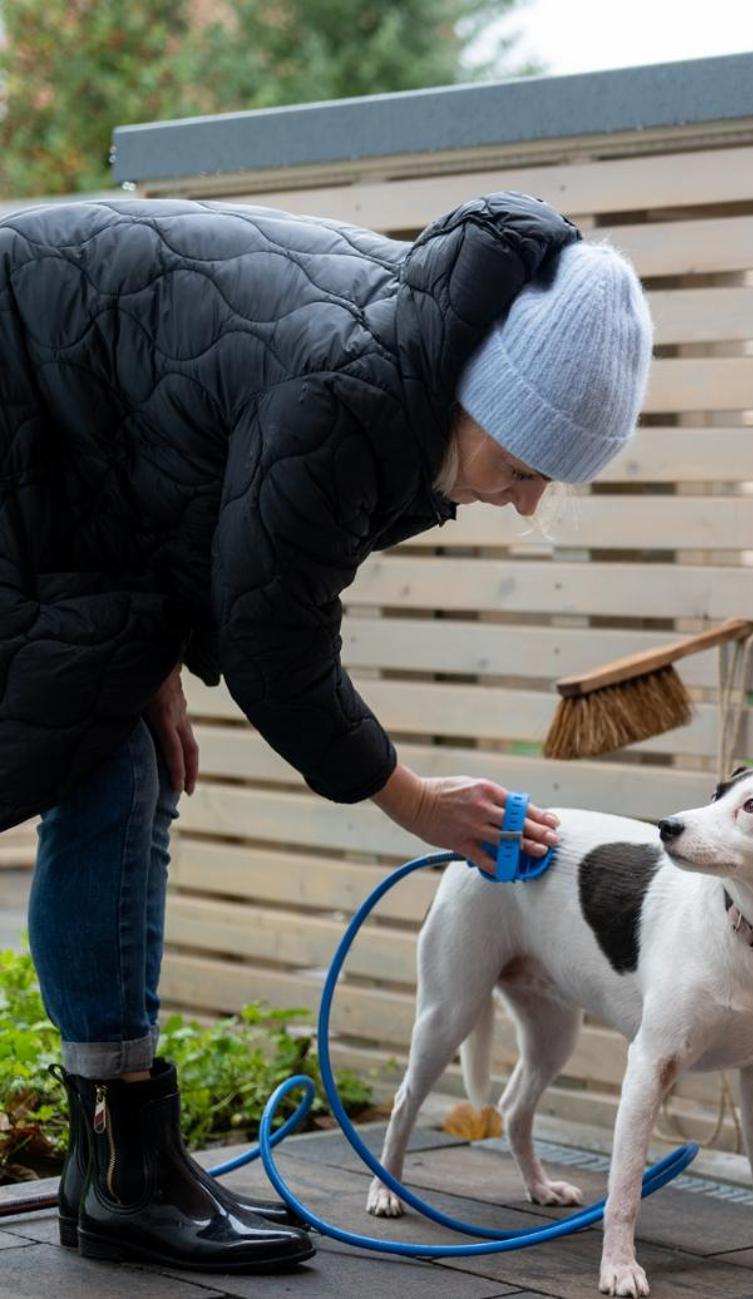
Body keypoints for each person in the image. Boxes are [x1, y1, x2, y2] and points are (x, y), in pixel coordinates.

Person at [0, 191, 653, 1271]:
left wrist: (149, 651)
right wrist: (414, 800)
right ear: (484, 398)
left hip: (67, 441)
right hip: (19, 401)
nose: (528, 504)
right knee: (109, 767)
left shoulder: (422, 347)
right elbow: (275, 643)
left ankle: (118, 1165)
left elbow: (184, 468)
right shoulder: (356, 395)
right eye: (528, 467)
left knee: (121, 753)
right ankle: (121, 1172)